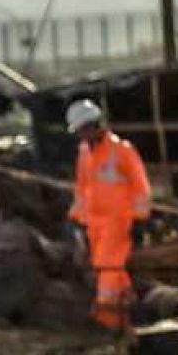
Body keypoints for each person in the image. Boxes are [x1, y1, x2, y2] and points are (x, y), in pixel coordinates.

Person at [66, 99, 151, 330]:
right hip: (95, 224)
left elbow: (140, 187)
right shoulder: (85, 152)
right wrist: (75, 218)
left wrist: (140, 219)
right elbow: (82, 188)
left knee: (109, 269)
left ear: (95, 126)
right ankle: (127, 313)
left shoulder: (121, 150)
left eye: (83, 130)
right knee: (109, 270)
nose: (81, 136)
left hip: (118, 221)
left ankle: (108, 319)